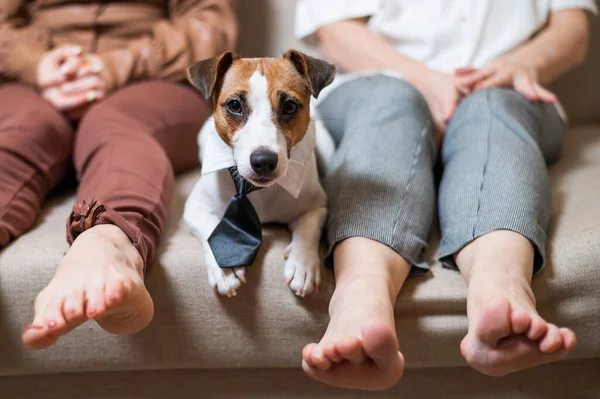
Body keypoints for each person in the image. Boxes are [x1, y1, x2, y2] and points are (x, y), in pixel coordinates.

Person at [295, 0, 596, 390]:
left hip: (504, 87)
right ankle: (358, 297)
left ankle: (501, 288)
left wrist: (525, 63)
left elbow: (572, 28)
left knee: (492, 108)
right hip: (377, 83)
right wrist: (428, 83)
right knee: (392, 100)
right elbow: (335, 31)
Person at [0, 0, 237, 349]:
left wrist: (115, 66)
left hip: (158, 81)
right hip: (34, 85)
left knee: (115, 126)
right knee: (20, 131)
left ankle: (110, 242)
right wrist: (37, 64)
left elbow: (210, 25)